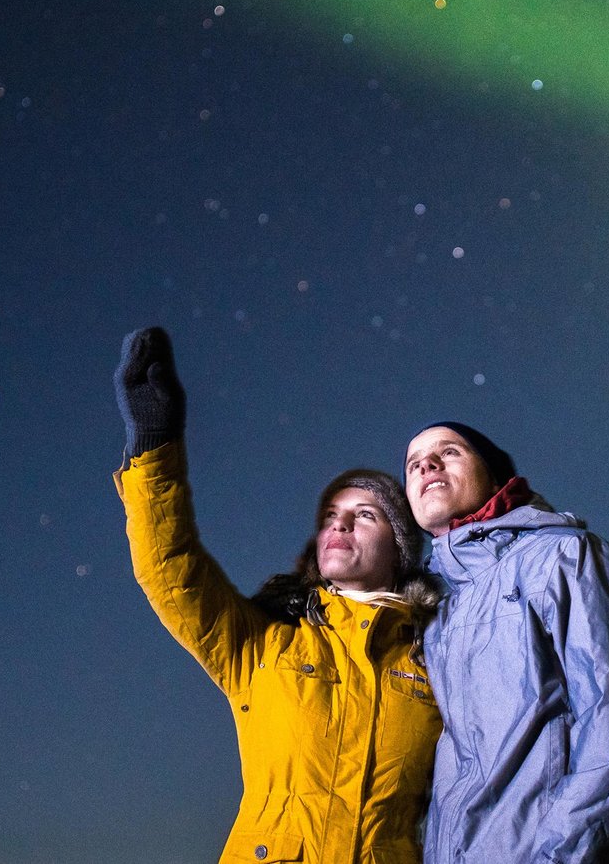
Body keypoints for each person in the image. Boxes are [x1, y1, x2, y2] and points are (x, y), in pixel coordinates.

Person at [113, 327, 442, 864]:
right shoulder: (265, 642)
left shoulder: (438, 657)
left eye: (364, 516)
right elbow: (170, 567)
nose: (340, 526)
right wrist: (155, 443)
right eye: (331, 518)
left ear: (401, 548)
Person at [404, 422, 609, 864]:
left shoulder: (565, 557)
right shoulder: (435, 612)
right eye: (413, 465)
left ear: (495, 475)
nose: (427, 464)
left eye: (449, 453)